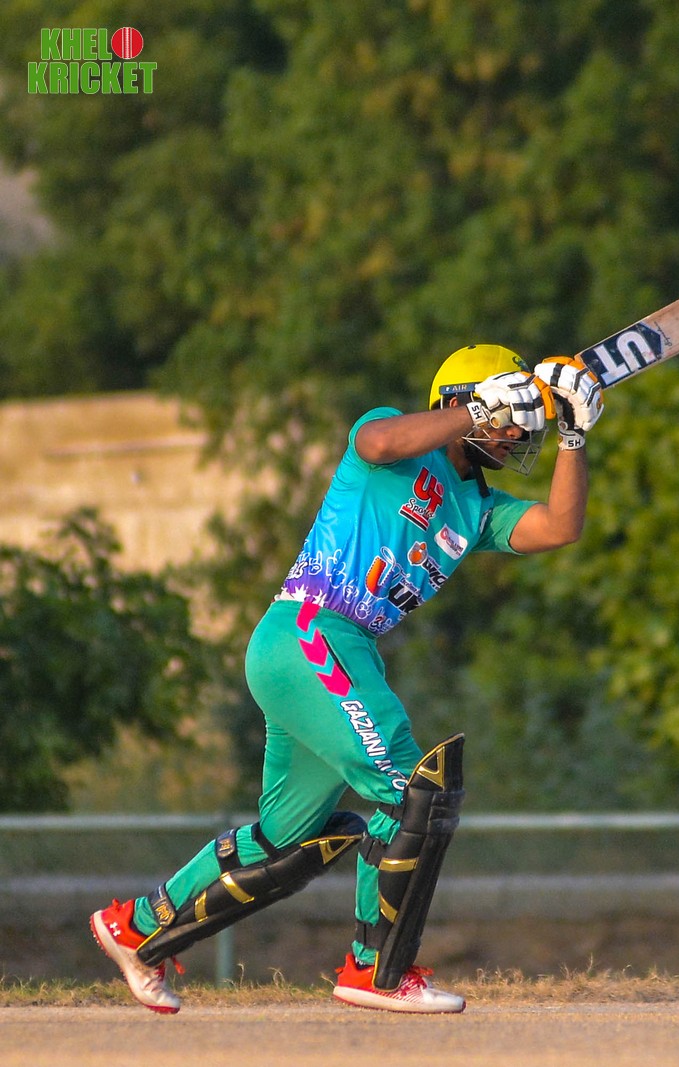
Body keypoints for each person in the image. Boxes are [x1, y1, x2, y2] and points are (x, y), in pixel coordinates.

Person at [89, 344, 604, 1014]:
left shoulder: (478, 508)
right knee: (413, 789)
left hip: (327, 651)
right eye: (508, 417)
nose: (515, 433)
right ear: (461, 401)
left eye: (519, 422)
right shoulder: (394, 436)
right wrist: (483, 409)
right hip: (311, 630)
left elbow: (560, 525)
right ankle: (374, 972)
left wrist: (573, 438)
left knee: (287, 839)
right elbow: (377, 441)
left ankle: (136, 929)